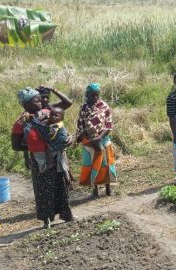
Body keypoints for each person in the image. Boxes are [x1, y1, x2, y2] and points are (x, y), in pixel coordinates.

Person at [11, 88, 73, 228]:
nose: (41, 101)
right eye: (36, 99)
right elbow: (16, 145)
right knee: (43, 189)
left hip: (56, 156)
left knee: (60, 185)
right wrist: (36, 147)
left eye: (40, 98)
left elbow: (60, 126)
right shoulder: (21, 122)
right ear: (26, 103)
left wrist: (69, 137)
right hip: (39, 160)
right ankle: (47, 219)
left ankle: (66, 214)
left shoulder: (47, 112)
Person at [76, 83, 117, 197]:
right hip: (89, 141)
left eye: (97, 95)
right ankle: (95, 190)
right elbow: (80, 123)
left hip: (103, 139)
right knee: (92, 165)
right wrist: (84, 136)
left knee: (106, 164)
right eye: (92, 95)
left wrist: (98, 137)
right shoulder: (83, 107)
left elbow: (108, 125)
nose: (95, 97)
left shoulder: (104, 106)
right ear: (87, 94)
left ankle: (108, 189)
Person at [31, 107, 71, 181]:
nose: (53, 117)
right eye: (52, 115)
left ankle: (50, 163)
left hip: (58, 144)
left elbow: (49, 135)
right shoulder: (56, 123)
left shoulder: (55, 126)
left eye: (56, 115)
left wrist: (44, 137)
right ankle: (67, 175)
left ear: (62, 118)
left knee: (48, 150)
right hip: (59, 143)